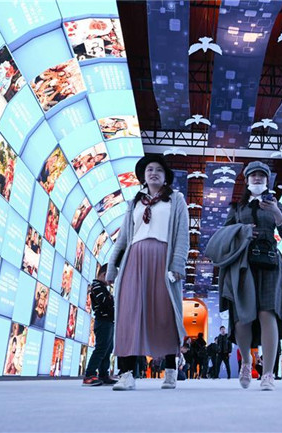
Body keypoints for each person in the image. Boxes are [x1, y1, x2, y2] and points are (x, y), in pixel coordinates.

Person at [206, 161, 282, 391]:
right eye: (253, 175)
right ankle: (247, 362)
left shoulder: (276, 204)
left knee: (267, 313)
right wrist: (244, 230)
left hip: (270, 262)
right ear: (246, 180)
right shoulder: (237, 208)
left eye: (262, 175)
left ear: (267, 180)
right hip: (243, 263)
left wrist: (276, 212)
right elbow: (225, 234)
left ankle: (268, 373)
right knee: (243, 317)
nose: (257, 178)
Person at [106, 155, 189, 391]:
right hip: (134, 259)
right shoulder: (135, 202)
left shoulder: (176, 199)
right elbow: (124, 237)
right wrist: (112, 266)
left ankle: (171, 369)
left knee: (165, 312)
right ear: (143, 176)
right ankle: (126, 374)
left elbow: (182, 233)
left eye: (159, 170)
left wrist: (178, 264)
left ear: (165, 176)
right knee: (129, 313)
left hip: (163, 259)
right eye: (149, 169)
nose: (153, 173)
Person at [82, 264, 117, 386]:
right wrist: (113, 301)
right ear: (104, 274)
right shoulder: (97, 287)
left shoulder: (102, 287)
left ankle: (103, 374)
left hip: (108, 321)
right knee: (101, 349)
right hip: (103, 322)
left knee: (108, 349)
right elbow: (105, 303)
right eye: (111, 278)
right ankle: (89, 375)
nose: (112, 282)